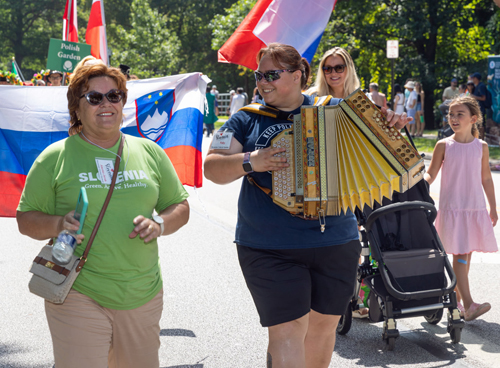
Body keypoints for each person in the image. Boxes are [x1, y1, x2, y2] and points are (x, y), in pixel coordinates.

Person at [204, 43, 410, 368]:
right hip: (269, 246)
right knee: (287, 332)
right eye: (259, 75)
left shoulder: (337, 109)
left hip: (336, 242)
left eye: (272, 74)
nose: (263, 82)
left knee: (321, 330)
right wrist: (251, 160)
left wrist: (393, 123)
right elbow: (212, 167)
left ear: (299, 74)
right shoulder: (245, 118)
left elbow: (388, 143)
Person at [16, 63, 190, 368]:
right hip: (78, 291)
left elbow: (180, 206)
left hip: (142, 293)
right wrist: (58, 223)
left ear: (123, 102)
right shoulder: (54, 157)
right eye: (94, 98)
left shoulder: (150, 151)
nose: (106, 104)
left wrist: (159, 223)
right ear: (77, 109)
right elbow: (25, 219)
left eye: (114, 95)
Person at [424, 95, 497, 322]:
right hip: (453, 209)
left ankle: (455, 301)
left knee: (465, 257)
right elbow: (432, 173)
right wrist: (419, 182)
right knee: (461, 256)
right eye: (451, 115)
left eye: (459, 114)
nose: (453, 118)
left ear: (473, 118)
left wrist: (493, 208)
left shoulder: (481, 147)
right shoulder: (444, 145)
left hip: (474, 209)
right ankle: (469, 304)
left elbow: (486, 178)